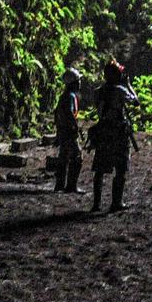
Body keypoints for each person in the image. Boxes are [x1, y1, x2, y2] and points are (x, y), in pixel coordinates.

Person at [89, 58, 138, 213]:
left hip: (103, 131)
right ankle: (116, 203)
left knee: (100, 169)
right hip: (118, 132)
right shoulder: (120, 91)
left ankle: (96, 204)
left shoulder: (98, 91)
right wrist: (128, 85)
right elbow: (136, 102)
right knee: (121, 168)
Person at [53, 68, 83, 193]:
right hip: (68, 131)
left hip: (63, 130)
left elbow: (57, 113)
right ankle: (71, 186)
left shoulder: (64, 96)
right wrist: (75, 127)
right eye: (78, 80)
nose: (80, 83)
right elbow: (69, 113)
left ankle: (60, 185)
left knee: (63, 156)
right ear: (73, 83)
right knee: (77, 156)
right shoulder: (70, 96)